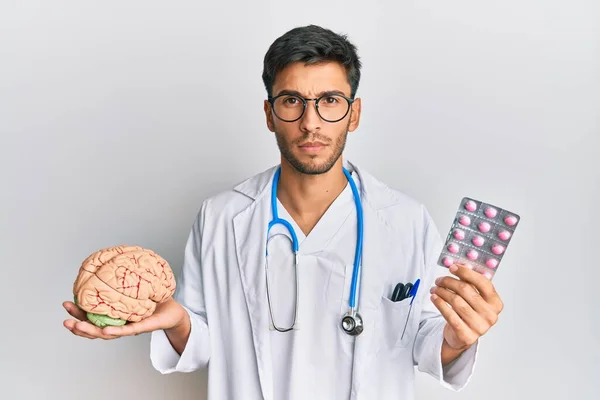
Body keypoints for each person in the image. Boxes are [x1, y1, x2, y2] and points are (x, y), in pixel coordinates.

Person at [63, 24, 504, 399]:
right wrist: (177, 320)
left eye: (330, 101)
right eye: (292, 101)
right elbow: (201, 343)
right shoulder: (220, 217)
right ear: (270, 114)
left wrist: (458, 335)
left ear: (354, 114)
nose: (311, 122)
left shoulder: (405, 219)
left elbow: (427, 342)